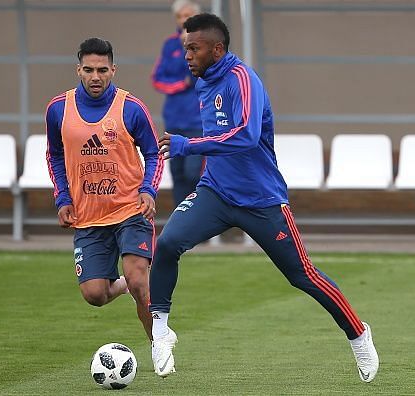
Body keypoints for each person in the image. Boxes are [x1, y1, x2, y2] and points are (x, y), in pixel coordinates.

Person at [148, 14, 380, 382]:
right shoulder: (204, 81)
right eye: (184, 47)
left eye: (193, 48)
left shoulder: (244, 79)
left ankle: (358, 333)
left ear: (217, 48)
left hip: (262, 200)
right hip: (216, 192)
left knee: (302, 275)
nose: (186, 55)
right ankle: (160, 332)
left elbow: (246, 136)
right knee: (168, 243)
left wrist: (188, 145)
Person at [46, 37, 163, 341]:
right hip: (88, 215)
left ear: (113, 70)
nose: (95, 76)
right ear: (78, 70)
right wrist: (62, 198)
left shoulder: (131, 108)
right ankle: (124, 284)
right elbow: (54, 155)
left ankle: (159, 346)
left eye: (102, 69)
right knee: (95, 294)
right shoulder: (58, 109)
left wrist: (148, 190)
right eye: (88, 69)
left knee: (140, 282)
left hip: (130, 209)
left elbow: (154, 153)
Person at [151, 0, 204, 206]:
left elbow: (204, 75)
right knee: (178, 173)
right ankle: (180, 225)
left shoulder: (204, 46)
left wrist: (189, 46)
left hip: (198, 121)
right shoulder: (169, 44)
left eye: (188, 16)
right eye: (181, 16)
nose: (184, 20)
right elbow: (157, 78)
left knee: (194, 174)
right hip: (174, 119)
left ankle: (199, 220)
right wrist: (180, 85)